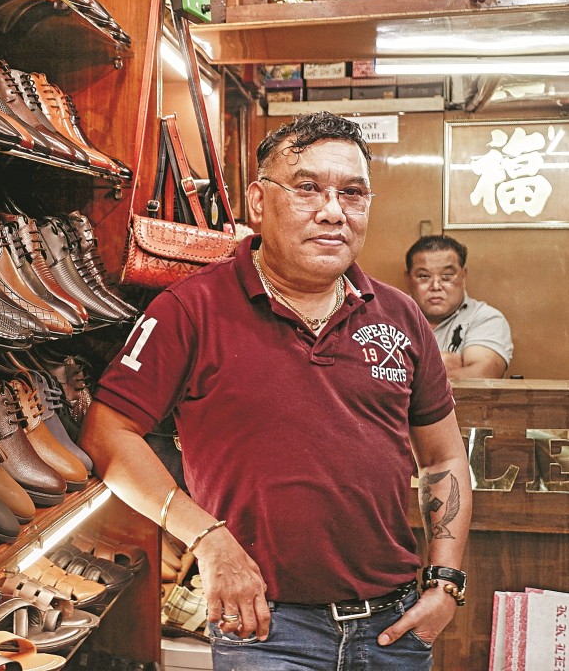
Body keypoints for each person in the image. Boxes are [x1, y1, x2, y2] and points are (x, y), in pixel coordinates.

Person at [80, 112, 472, 670]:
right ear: (260, 203)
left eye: (352, 193)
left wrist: (445, 582)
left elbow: (444, 455)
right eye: (308, 188)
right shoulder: (191, 309)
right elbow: (109, 434)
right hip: (265, 627)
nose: (333, 211)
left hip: (395, 627)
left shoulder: (400, 315)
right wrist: (209, 541)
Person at [405, 234, 513, 379]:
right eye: (424, 276)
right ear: (408, 279)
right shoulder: (389, 317)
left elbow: (482, 376)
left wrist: (408, 370)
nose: (436, 286)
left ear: (463, 278)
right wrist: (440, 363)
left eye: (447, 276)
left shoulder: (486, 318)